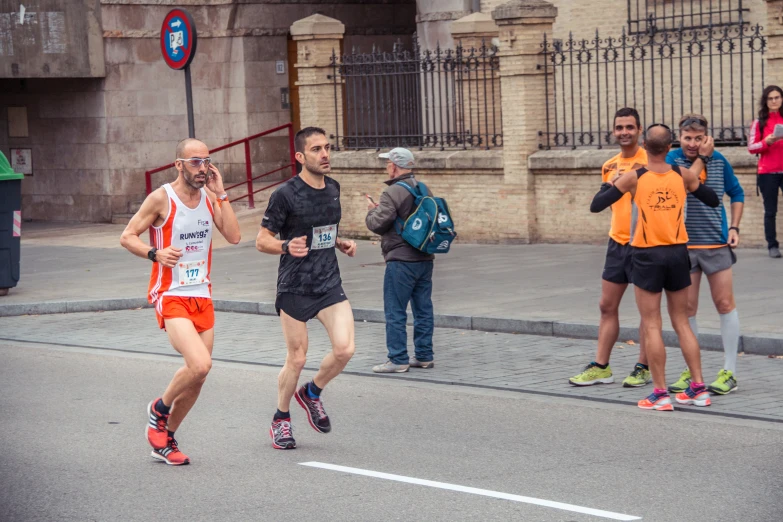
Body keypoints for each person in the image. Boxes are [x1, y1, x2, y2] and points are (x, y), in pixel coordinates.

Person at [120, 138, 241, 465]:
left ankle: (165, 438)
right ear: (178, 164)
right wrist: (155, 253)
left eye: (207, 161)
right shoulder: (162, 198)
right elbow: (127, 236)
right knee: (200, 363)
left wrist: (221, 193)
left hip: (202, 294)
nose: (203, 168)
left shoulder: (208, 197)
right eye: (195, 162)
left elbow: (234, 235)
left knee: (198, 375)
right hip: (170, 294)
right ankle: (158, 409)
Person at [590, 124, 721, 411]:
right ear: (670, 146)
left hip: (647, 255)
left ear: (644, 146)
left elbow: (597, 205)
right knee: (682, 321)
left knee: (652, 324)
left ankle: (660, 393)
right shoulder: (682, 174)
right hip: (678, 254)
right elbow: (713, 200)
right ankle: (699, 388)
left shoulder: (634, 178)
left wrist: (610, 183)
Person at [256, 126, 357, 450]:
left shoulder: (333, 188)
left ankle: (311, 392)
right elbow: (262, 241)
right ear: (300, 156)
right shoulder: (285, 194)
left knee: (345, 349)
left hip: (328, 282)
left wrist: (338, 241)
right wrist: (286, 246)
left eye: (327, 147)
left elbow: (323, 229)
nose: (325, 154)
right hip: (295, 286)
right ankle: (281, 418)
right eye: (316, 149)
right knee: (297, 359)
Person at [570, 108, 650, 388]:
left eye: (630, 127)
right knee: (606, 306)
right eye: (619, 127)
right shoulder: (609, 165)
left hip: (645, 244)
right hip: (617, 243)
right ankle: (601, 367)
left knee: (646, 311)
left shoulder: (649, 161)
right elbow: (603, 202)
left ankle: (643, 366)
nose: (624, 132)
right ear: (613, 131)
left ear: (639, 130)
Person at [666, 114, 744, 395]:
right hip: (683, 246)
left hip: (715, 244)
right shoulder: (671, 161)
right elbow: (685, 185)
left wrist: (734, 227)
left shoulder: (720, 160)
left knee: (724, 303)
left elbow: (737, 193)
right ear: (680, 137)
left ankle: (730, 372)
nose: (692, 143)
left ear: (707, 137)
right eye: (687, 137)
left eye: (698, 138)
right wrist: (704, 158)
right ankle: (691, 370)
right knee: (687, 309)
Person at [365, 147, 435, 373]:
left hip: (401, 260)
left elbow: (377, 224)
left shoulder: (392, 192)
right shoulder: (423, 189)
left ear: (394, 165)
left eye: (387, 163)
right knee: (423, 308)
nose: (386, 166)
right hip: (425, 258)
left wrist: (370, 211)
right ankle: (424, 356)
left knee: (395, 310)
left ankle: (398, 359)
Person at [748, 85, 783, 258]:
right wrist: (766, 142)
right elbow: (751, 147)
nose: (774, 101)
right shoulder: (759, 122)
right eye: (771, 98)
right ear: (766, 101)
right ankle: (772, 245)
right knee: (770, 211)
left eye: (777, 97)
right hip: (767, 172)